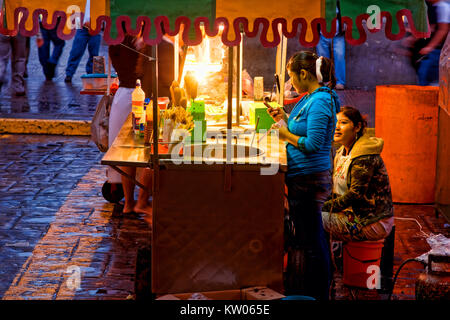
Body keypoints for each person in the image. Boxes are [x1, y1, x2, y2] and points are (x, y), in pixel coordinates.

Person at [267, 51, 340, 300]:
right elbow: (303, 128)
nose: (291, 83)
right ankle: (310, 292)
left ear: (304, 74)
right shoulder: (311, 97)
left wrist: (284, 135)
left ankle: (318, 294)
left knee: (314, 243)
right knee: (309, 239)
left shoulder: (320, 101)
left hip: (310, 181)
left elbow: (312, 143)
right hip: (302, 179)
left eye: (291, 77)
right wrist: (284, 119)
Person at [321, 106, 394, 242]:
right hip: (352, 214)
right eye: (335, 123)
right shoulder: (342, 152)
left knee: (312, 219)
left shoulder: (363, 157)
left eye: (343, 123)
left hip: (371, 222)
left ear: (357, 127)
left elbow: (355, 195)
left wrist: (323, 206)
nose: (336, 127)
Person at [108, 27, 154, 215]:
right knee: (145, 152)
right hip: (138, 99)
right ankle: (139, 202)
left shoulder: (116, 41)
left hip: (122, 98)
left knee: (127, 152)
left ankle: (129, 203)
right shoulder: (140, 43)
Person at [407, 0, 449, 85]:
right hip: (432, 52)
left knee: (429, 80)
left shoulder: (442, 7)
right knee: (424, 77)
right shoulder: (432, 8)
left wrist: (430, 47)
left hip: (437, 51)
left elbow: (443, 30)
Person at [64, 0, 102, 83]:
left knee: (94, 53)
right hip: (82, 27)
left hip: (96, 27)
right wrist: (79, 24)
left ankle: (91, 74)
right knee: (76, 50)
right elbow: (76, 9)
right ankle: (69, 74)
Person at [316, 0, 346, 90]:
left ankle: (339, 81)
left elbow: (345, 8)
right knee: (322, 56)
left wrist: (345, 21)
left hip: (338, 29)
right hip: (321, 27)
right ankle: (325, 81)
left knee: (340, 55)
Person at [37, 16, 66, 81]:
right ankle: (52, 61)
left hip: (41, 22)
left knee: (43, 47)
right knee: (59, 43)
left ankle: (47, 72)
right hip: (55, 20)